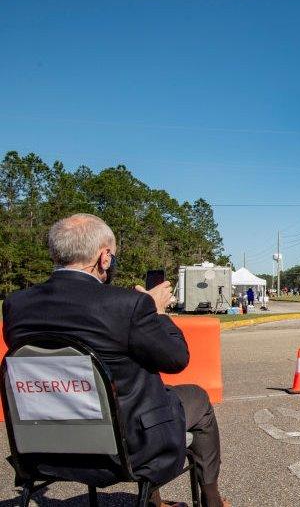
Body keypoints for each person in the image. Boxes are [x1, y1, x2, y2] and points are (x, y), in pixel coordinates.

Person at [1, 214, 230, 507]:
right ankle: (211, 499)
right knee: (197, 397)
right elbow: (176, 359)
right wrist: (156, 310)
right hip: (125, 450)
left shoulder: (16, 305)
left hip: (41, 450)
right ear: (104, 257)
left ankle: (156, 501)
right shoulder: (127, 305)